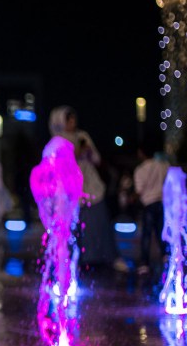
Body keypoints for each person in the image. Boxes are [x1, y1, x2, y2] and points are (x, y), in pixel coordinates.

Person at [49, 106, 128, 272]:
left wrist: (88, 150)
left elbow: (97, 159)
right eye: (68, 120)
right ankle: (73, 260)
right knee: (73, 226)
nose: (72, 122)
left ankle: (106, 257)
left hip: (90, 185)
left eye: (72, 119)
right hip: (70, 188)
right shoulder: (57, 142)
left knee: (98, 221)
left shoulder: (82, 136)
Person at [133, 132, 171, 275]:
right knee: (162, 231)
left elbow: (139, 190)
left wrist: (132, 198)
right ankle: (165, 256)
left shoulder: (140, 170)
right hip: (161, 202)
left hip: (148, 204)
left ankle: (144, 263)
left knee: (147, 234)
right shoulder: (161, 165)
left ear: (141, 153)